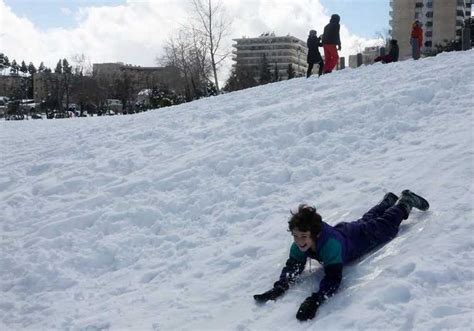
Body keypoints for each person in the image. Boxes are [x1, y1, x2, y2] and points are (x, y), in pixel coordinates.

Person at [253, 190, 429, 321]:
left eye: (303, 236)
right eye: (295, 236)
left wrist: (316, 299)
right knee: (365, 220)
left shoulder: (330, 247)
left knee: (385, 226)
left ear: (315, 234)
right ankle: (386, 202)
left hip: (359, 240)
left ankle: (404, 202)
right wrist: (280, 287)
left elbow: (333, 277)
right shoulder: (301, 243)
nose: (299, 241)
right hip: (345, 232)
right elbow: (293, 266)